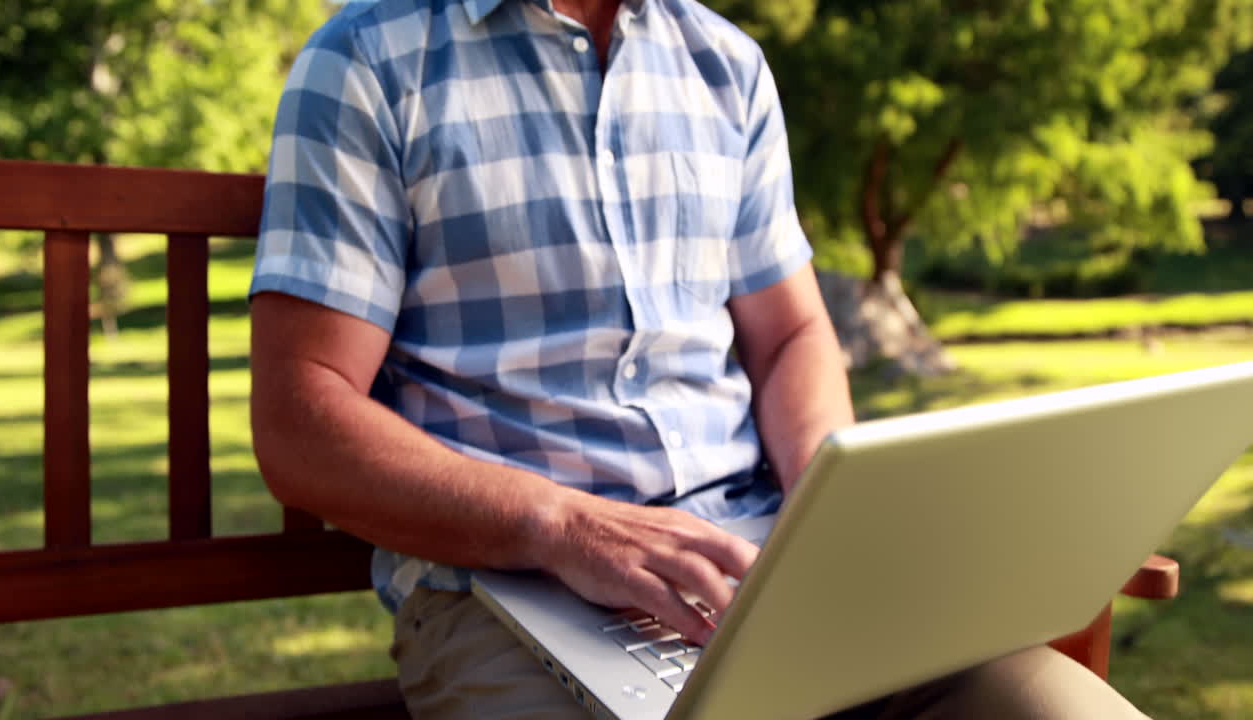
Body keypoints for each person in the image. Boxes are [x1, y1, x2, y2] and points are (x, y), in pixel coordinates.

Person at [248, 0, 1151, 717]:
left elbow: (793, 334)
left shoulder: (727, 66)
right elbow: (301, 421)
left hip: (758, 566)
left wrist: (822, 509)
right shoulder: (367, 63)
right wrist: (561, 527)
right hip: (508, 598)